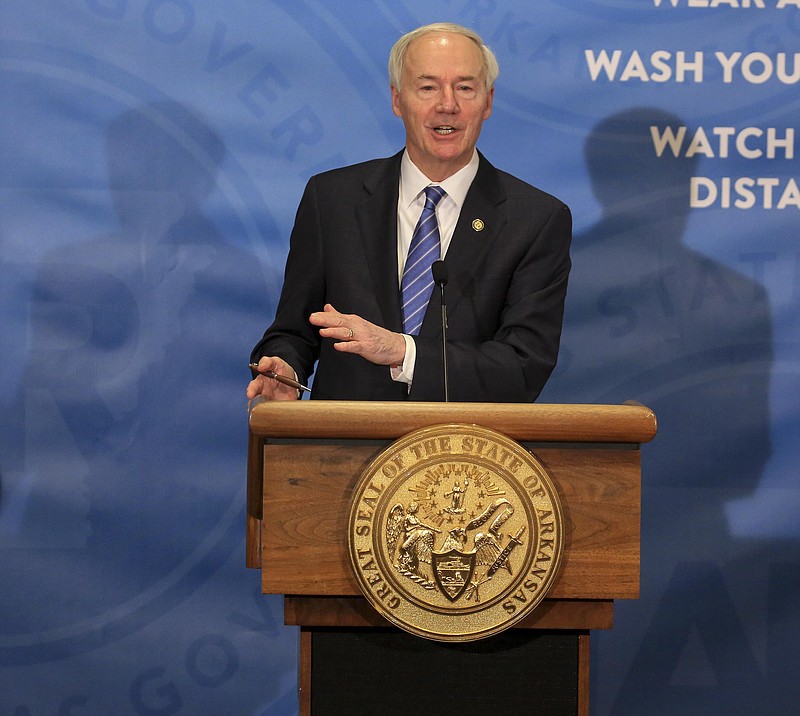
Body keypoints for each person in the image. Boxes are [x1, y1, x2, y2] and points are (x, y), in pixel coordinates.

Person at [247, 22, 571, 403]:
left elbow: (523, 367)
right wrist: (285, 369)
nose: (447, 104)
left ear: (488, 102)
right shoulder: (331, 199)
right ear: (398, 100)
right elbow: (295, 331)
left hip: (463, 454)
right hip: (343, 449)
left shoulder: (535, 219)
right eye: (428, 87)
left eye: (465, 88)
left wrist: (403, 352)